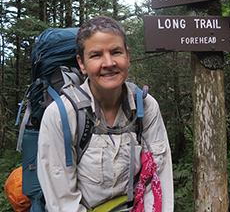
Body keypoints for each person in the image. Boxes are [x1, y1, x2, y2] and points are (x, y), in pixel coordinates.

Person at [37, 16, 174, 212]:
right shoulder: (62, 115)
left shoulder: (145, 105)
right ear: (81, 64)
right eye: (96, 55)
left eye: (116, 52)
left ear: (127, 56)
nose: (108, 63)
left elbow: (159, 179)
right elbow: (63, 202)